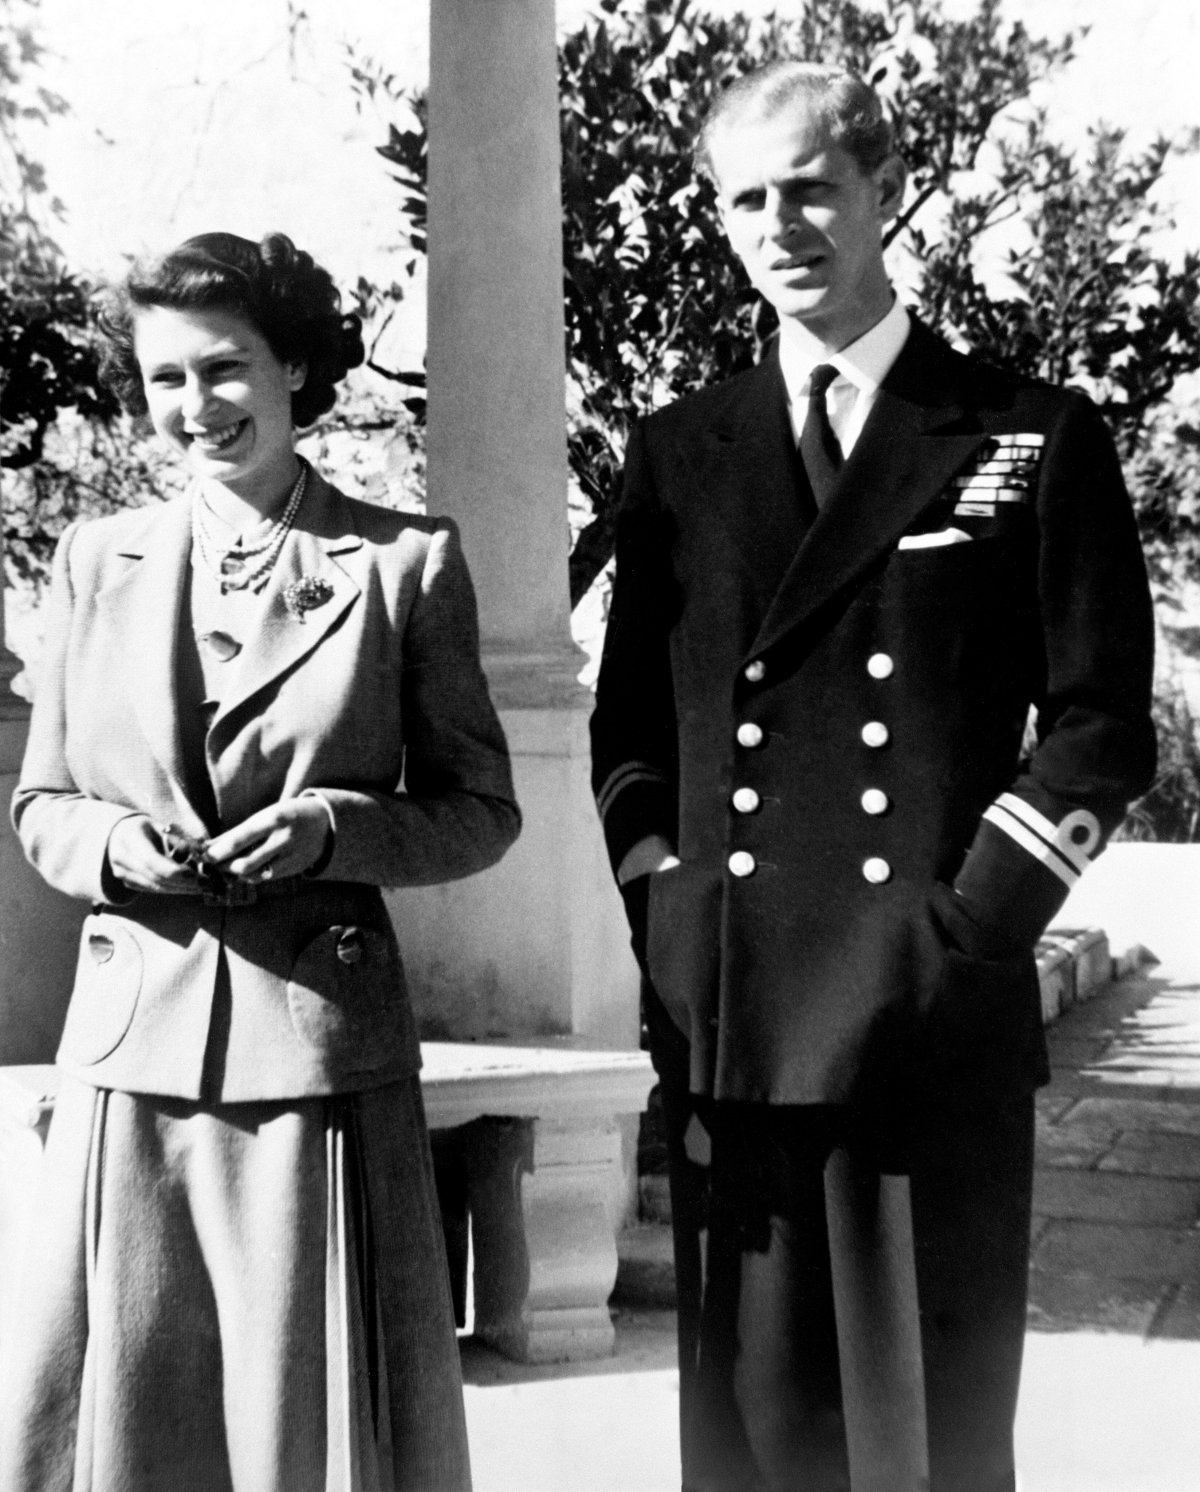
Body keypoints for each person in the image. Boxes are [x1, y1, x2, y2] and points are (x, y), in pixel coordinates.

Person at [591, 61, 1156, 1492]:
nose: (779, 226)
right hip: (737, 1008)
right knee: (754, 1431)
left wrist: (965, 929)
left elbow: (1100, 723)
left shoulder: (1025, 431)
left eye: (810, 190)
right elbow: (630, 730)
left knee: (929, 1436)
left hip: (925, 1013)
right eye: (746, 201)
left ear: (887, 192)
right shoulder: (681, 451)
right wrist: (666, 907)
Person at [1, 230, 520, 1492]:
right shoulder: (94, 561)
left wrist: (336, 829)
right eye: (167, 378)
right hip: (133, 1061)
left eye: (226, 367)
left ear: (294, 366)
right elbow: (44, 805)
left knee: (303, 1413)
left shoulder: (404, 562)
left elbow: (480, 810)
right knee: (131, 1408)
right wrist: (120, 846)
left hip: (317, 1055)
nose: (198, 405)